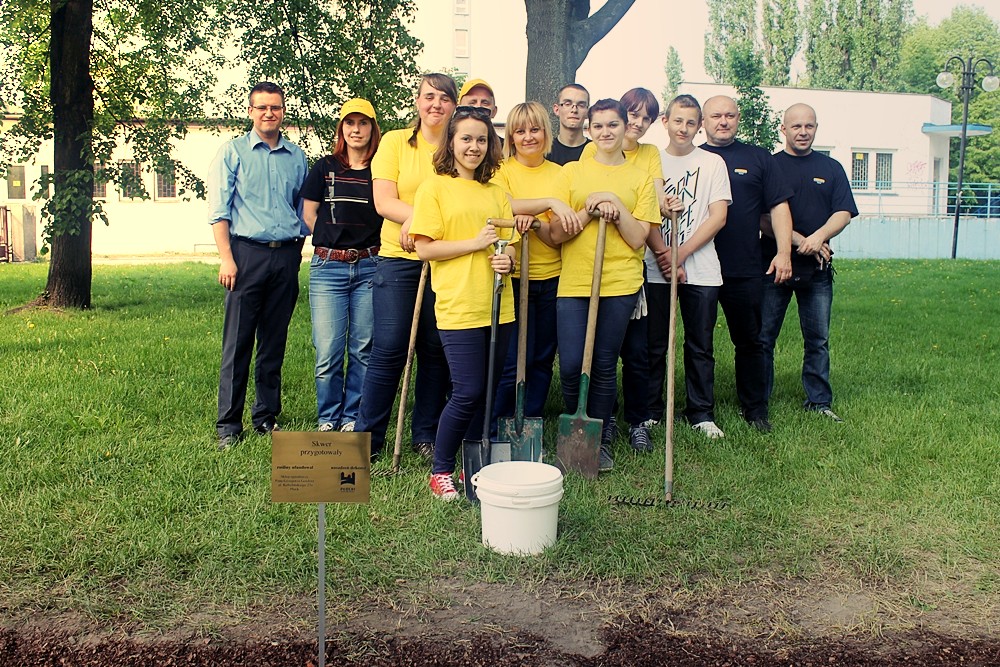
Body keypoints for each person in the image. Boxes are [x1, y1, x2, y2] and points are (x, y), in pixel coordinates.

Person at [410, 106, 517, 501]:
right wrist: (474, 243)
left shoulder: (497, 193)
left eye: (482, 139)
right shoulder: (434, 188)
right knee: (468, 390)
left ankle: (470, 467)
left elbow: (509, 246)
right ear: (451, 142)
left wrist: (507, 261)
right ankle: (440, 470)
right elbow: (424, 248)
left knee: (488, 392)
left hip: (499, 306)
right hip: (459, 305)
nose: (474, 146)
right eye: (466, 138)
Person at [549, 99, 660, 472]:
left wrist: (615, 204)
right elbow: (556, 234)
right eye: (597, 126)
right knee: (571, 364)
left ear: (625, 126)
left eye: (613, 124)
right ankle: (579, 428)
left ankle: (598, 439)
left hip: (619, 281)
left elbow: (638, 238)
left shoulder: (639, 177)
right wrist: (589, 210)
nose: (605, 132)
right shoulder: (572, 173)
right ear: (589, 130)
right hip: (575, 280)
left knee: (603, 362)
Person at [355, 73, 457, 460]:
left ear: (454, 104)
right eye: (429, 96)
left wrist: (423, 223)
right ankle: (367, 440)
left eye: (444, 98)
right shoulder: (396, 142)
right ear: (417, 101)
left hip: (443, 260)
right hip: (398, 260)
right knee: (390, 347)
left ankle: (425, 434)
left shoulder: (458, 146)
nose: (436, 104)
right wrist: (418, 219)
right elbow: (384, 201)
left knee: (435, 349)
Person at [209, 81, 308, 451]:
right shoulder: (233, 152)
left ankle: (266, 415)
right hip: (245, 255)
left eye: (276, 107)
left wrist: (296, 252)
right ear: (250, 111)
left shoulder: (296, 157)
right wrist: (227, 258)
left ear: (283, 112)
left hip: (286, 256)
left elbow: (303, 210)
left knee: (274, 341)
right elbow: (219, 211)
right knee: (238, 342)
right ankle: (228, 425)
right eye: (262, 107)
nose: (269, 113)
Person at [699, 95, 793, 433]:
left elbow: (778, 207)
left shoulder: (758, 158)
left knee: (751, 341)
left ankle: (755, 409)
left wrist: (784, 252)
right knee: (700, 343)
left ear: (738, 119)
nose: (723, 121)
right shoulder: (693, 157)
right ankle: (701, 411)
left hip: (744, 267)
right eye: (716, 116)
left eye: (729, 115)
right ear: (703, 122)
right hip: (698, 267)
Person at [761, 103, 858, 422]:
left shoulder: (831, 168)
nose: (803, 132)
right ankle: (758, 402)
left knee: (818, 340)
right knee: (763, 338)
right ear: (783, 129)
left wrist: (819, 237)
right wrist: (803, 242)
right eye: (796, 126)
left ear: (816, 128)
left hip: (817, 270)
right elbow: (762, 218)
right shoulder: (770, 166)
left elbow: (843, 212)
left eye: (809, 126)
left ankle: (819, 402)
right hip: (774, 266)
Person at [581, 88, 665, 453]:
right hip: (595, 267)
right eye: (634, 114)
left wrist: (662, 204)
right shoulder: (593, 151)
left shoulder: (648, 155)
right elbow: (589, 190)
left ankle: (638, 420)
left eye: (646, 117)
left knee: (635, 351)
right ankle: (607, 418)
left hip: (631, 269)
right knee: (602, 352)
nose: (638, 123)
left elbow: (655, 197)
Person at [645, 94, 732, 440]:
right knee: (654, 344)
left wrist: (680, 255)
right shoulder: (651, 160)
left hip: (702, 270)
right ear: (665, 122)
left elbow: (718, 216)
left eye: (691, 122)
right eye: (678, 120)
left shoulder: (712, 163)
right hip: (656, 268)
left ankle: (701, 412)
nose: (683, 128)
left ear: (700, 127)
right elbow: (645, 214)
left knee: (700, 344)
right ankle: (650, 410)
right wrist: (665, 256)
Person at [301, 98, 383, 433]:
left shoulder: (381, 170)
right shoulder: (324, 167)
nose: (356, 130)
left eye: (363, 123)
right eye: (350, 123)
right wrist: (330, 240)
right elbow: (309, 214)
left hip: (369, 266)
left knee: (363, 348)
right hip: (328, 268)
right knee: (328, 350)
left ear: (373, 129)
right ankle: (328, 418)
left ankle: (352, 418)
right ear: (341, 129)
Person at [490, 102, 572, 424]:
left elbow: (559, 230)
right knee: (512, 359)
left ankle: (531, 420)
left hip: (552, 276)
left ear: (545, 132)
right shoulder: (501, 171)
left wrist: (534, 219)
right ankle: (500, 421)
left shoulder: (560, 174)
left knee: (541, 356)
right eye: (520, 131)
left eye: (535, 129)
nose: (528, 137)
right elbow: (504, 205)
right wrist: (548, 203)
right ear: (510, 136)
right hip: (513, 277)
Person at [546, 83, 591, 166]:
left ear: (588, 112)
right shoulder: (544, 151)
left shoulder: (596, 152)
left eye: (581, 105)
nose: (574, 110)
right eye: (567, 104)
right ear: (556, 109)